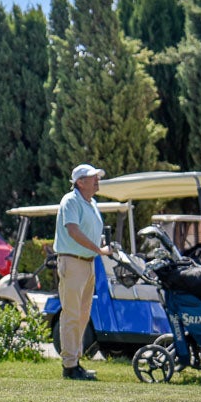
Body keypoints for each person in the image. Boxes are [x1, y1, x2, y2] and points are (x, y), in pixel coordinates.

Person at [54, 163, 113, 380]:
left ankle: (75, 361)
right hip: (72, 262)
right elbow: (73, 231)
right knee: (71, 314)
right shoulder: (70, 201)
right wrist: (99, 249)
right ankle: (69, 366)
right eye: (92, 177)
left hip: (88, 263)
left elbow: (90, 232)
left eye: (97, 176)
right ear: (80, 182)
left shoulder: (92, 203)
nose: (97, 180)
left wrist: (102, 245)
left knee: (82, 315)